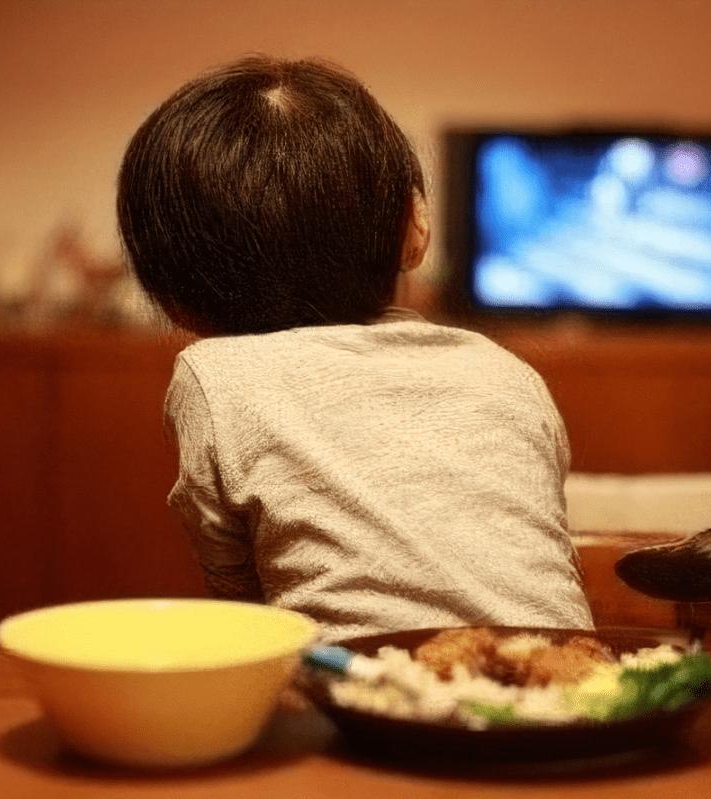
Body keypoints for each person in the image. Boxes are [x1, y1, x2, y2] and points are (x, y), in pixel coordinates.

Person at [117, 55, 594, 644]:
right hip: (581, 695)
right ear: (415, 227)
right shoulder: (506, 371)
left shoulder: (215, 378)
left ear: (169, 286)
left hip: (362, 703)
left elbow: (244, 604)